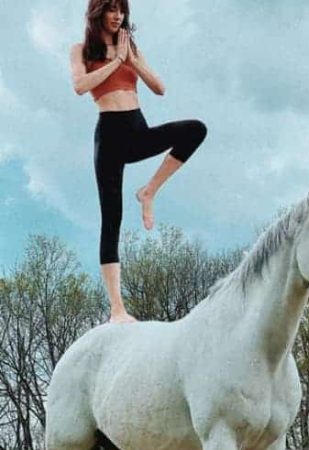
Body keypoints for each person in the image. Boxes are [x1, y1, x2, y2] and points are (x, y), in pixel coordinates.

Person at [70, 0, 207, 323]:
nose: (118, 16)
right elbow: (79, 86)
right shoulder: (81, 49)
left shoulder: (130, 46)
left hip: (137, 129)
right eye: (111, 9)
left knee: (195, 130)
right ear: (98, 12)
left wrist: (130, 59)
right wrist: (114, 62)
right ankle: (117, 308)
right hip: (110, 136)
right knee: (111, 218)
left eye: (122, 10)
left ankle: (149, 192)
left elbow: (159, 88)